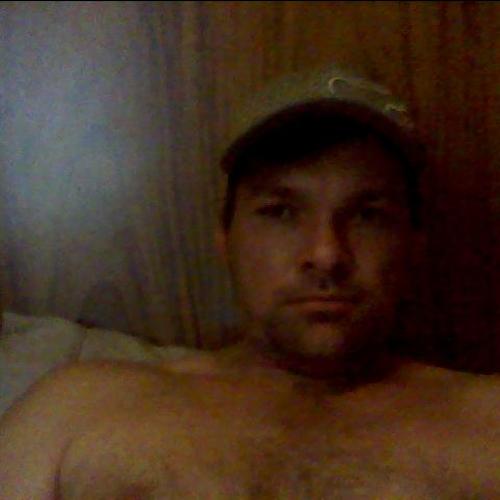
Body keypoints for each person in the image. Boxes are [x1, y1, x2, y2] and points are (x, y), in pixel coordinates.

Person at [0, 65, 498, 499]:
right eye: (280, 212)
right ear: (225, 240)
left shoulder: (487, 422)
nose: (326, 254)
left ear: (413, 245)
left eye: (369, 215)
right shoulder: (80, 408)